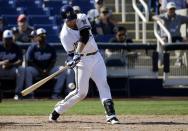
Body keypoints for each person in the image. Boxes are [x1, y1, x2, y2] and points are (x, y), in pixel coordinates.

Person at [49, 5, 119, 124]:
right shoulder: (64, 35)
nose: (72, 21)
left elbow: (85, 35)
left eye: (72, 17)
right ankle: (57, 111)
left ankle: (111, 115)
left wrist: (77, 53)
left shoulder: (81, 17)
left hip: (96, 57)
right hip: (82, 62)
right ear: (64, 20)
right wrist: (71, 60)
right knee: (81, 93)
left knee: (103, 85)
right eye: (69, 19)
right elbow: (70, 54)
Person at [25, 28, 66, 99]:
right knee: (28, 70)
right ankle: (30, 94)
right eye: (40, 35)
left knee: (62, 70)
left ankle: (56, 93)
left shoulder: (50, 47)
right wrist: (40, 70)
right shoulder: (32, 48)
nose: (42, 37)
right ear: (36, 36)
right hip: (36, 70)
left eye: (44, 35)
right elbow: (30, 62)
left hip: (48, 69)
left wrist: (47, 70)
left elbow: (53, 61)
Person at [153, 2, 188, 66]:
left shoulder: (179, 17)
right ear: (167, 9)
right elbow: (154, 16)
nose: (172, 10)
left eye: (173, 9)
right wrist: (160, 20)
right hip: (166, 37)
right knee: (162, 41)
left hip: (176, 37)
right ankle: (161, 60)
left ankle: (179, 60)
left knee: (185, 41)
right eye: (170, 9)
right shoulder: (164, 16)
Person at [0, 30, 25, 100]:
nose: (8, 41)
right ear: (3, 39)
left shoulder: (16, 47)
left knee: (21, 69)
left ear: (12, 39)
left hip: (12, 69)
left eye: (10, 39)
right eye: (6, 39)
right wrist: (2, 63)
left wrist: (10, 64)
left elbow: (20, 61)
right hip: (1, 69)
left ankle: (18, 93)